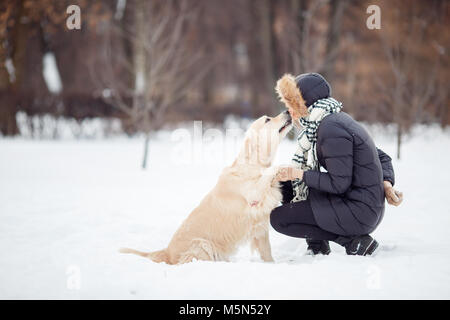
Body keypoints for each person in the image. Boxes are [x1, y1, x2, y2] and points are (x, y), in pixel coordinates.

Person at [270, 73, 403, 256]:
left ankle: (354, 241)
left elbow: (338, 184)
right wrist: (386, 184)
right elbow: (383, 157)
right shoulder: (331, 121)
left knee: (279, 219)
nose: (290, 112)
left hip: (359, 212)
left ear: (307, 104)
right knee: (286, 186)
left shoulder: (330, 129)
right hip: (359, 203)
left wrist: (298, 174)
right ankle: (318, 245)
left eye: (294, 105)